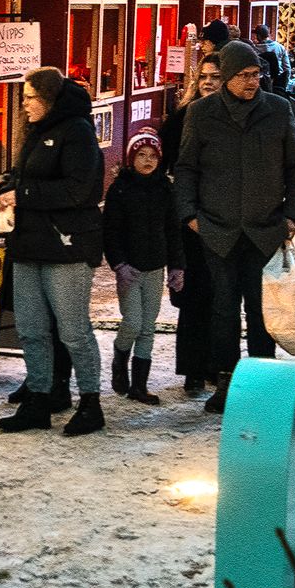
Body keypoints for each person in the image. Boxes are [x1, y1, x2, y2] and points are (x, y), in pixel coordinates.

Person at [174, 40, 295, 414]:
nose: (252, 82)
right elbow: (185, 167)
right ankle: (226, 381)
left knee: (262, 309)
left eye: (256, 74)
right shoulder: (201, 113)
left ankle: (262, 383)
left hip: (265, 228)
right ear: (228, 78)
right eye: (244, 76)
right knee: (223, 309)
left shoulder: (279, 110)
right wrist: (189, 215)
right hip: (216, 229)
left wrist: (291, 215)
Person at [0, 68, 107, 437]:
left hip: (67, 247)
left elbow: (79, 190)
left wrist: (23, 195)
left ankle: (91, 402)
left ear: (49, 98)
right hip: (28, 244)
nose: (23, 103)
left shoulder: (77, 132)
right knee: (31, 329)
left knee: (73, 331)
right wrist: (8, 187)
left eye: (29, 97)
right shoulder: (36, 131)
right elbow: (25, 175)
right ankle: (39, 398)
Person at [101, 130, 184, 406]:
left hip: (154, 267)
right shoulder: (120, 189)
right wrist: (119, 264)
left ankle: (139, 385)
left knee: (148, 327)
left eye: (152, 156)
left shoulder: (165, 188)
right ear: (131, 159)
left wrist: (176, 267)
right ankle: (119, 357)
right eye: (141, 155)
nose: (147, 161)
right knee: (132, 322)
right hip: (130, 269)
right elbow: (110, 231)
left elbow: (173, 231)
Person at [161, 54, 222, 396]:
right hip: (191, 220)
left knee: (221, 297)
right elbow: (165, 163)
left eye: (215, 76)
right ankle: (193, 371)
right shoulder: (183, 117)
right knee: (194, 296)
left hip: (226, 220)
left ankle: (217, 365)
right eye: (204, 77)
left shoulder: (235, 118)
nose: (209, 82)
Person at [250, 24, 289, 95]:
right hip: (278, 83)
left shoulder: (253, 49)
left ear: (258, 36)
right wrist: (284, 85)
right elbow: (287, 68)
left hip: (260, 83)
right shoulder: (280, 47)